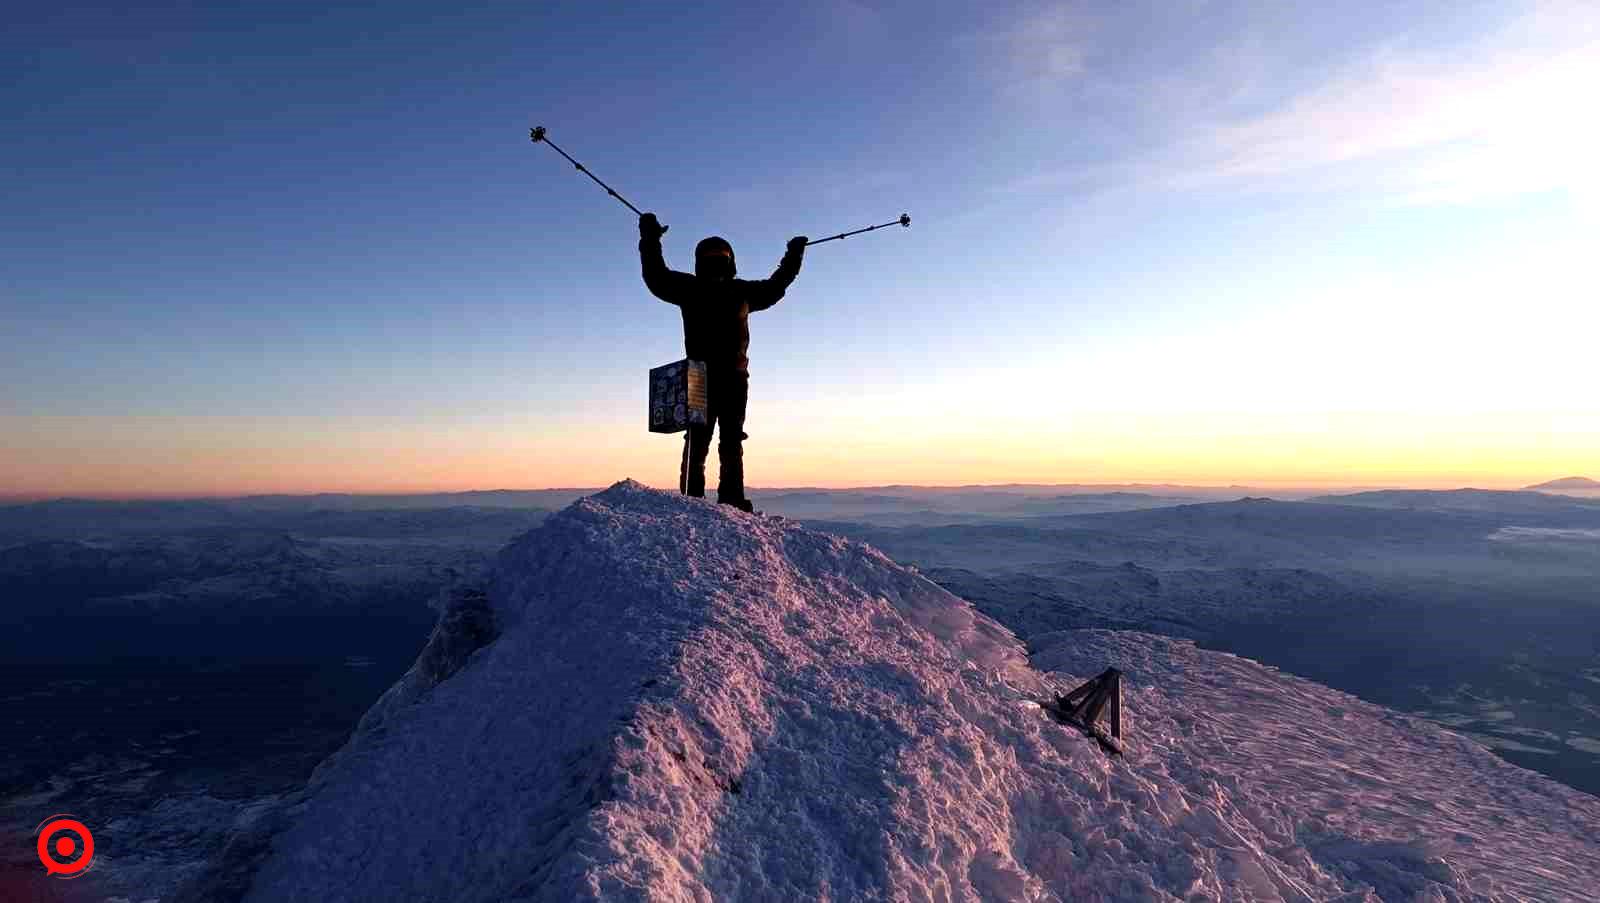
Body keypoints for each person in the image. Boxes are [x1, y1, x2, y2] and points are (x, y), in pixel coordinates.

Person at [639, 212, 806, 512]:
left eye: (718, 256)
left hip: (706, 376)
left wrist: (650, 239)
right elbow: (777, 285)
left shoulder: (691, 288)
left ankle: (697, 500)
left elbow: (655, 275)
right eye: (714, 256)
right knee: (725, 441)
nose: (716, 261)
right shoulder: (739, 291)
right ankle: (728, 500)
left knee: (705, 441)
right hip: (726, 376)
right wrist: (792, 257)